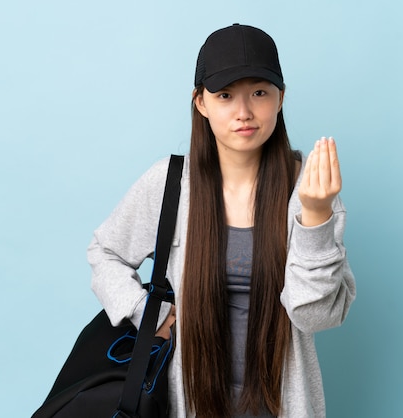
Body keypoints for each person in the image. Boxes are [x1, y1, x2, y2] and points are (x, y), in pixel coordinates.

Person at [87, 23, 356, 418]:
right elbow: (104, 252)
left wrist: (315, 217)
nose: (244, 113)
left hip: (280, 403)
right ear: (201, 103)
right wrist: (150, 314)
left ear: (280, 98)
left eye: (259, 93)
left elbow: (314, 316)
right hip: (190, 400)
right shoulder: (170, 184)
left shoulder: (309, 189)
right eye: (226, 95)